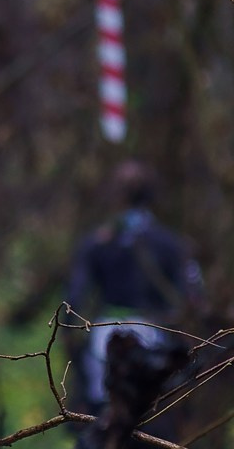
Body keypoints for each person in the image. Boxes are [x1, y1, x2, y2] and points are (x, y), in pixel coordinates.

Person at [64, 160, 205, 422]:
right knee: (152, 419)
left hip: (103, 341)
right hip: (156, 341)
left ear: (115, 195)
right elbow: (194, 299)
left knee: (100, 419)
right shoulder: (172, 244)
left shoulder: (96, 243)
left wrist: (74, 359)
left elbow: (73, 300)